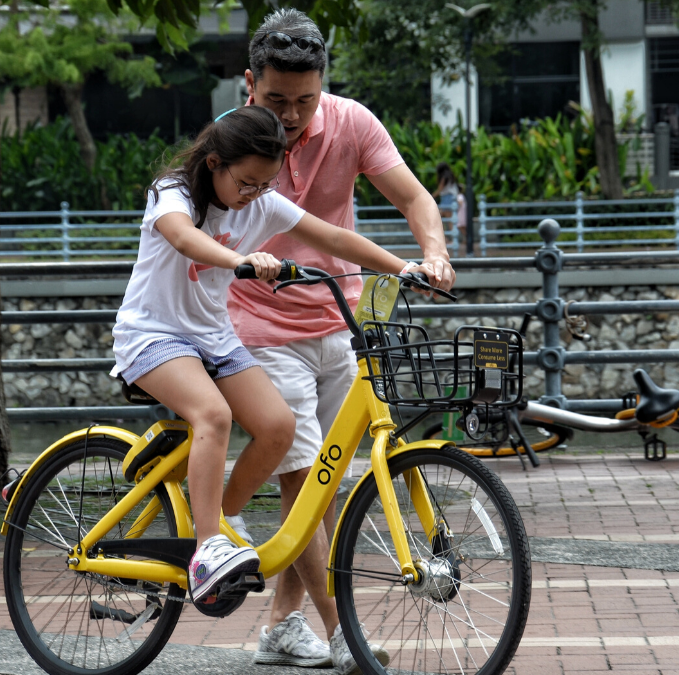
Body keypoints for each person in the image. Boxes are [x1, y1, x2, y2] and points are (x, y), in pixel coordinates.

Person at [108, 106, 427, 617]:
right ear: (214, 163)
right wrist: (239, 260)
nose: (254, 195)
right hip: (153, 335)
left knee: (278, 426)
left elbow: (336, 239)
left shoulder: (262, 203)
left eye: (265, 184)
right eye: (247, 183)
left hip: (212, 337)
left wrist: (405, 267)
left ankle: (215, 520)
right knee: (213, 415)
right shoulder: (175, 192)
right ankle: (208, 548)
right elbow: (182, 236)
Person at [225, 8, 457, 674]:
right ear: (250, 84)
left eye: (305, 99)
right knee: (302, 475)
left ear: (323, 85)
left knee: (322, 488)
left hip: (341, 321)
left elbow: (414, 197)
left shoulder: (352, 122)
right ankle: (343, 631)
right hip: (260, 326)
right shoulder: (233, 137)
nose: (292, 115)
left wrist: (433, 251)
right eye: (276, 100)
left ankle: (279, 625)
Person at [431, 162, 465, 253]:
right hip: (449, 199)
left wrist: (431, 196)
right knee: (439, 219)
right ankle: (446, 239)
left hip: (447, 199)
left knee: (446, 220)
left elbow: (440, 189)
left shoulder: (444, 177)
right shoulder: (450, 176)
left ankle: (451, 240)